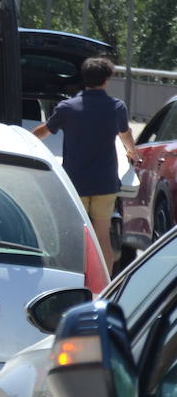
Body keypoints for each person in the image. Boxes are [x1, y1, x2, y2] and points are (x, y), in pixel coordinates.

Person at [33, 56, 138, 278]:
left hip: (75, 184)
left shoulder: (67, 108)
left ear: (83, 78)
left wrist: (25, 140)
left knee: (74, 238)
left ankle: (73, 281)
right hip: (104, 183)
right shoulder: (116, 107)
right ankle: (105, 287)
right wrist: (133, 152)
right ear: (107, 79)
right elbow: (125, 134)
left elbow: (44, 131)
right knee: (102, 236)